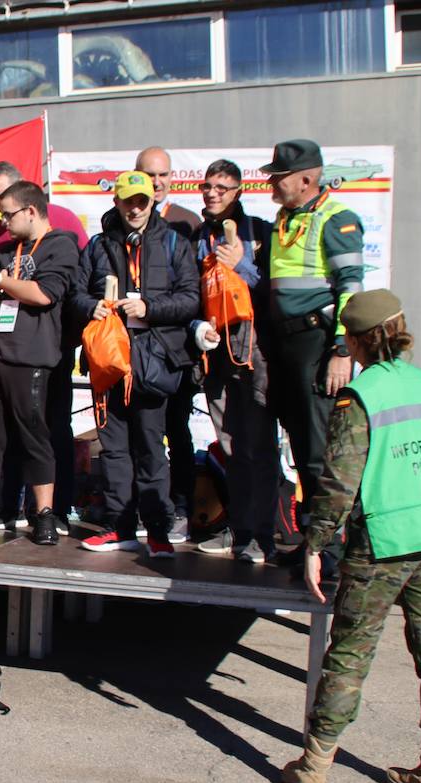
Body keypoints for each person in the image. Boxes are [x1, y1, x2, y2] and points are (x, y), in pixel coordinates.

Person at [282, 290, 421, 783]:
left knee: (350, 654)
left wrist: (316, 542)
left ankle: (313, 768)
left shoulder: (360, 395)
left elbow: (340, 480)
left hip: (384, 545)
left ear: (354, 340)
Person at [78, 171, 199, 558]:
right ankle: (119, 526)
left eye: (142, 201)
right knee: (112, 450)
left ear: (153, 202)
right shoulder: (98, 245)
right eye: (128, 201)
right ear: (116, 202)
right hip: (108, 360)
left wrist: (151, 308)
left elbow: (190, 299)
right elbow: (74, 294)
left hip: (153, 358)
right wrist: (90, 306)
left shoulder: (175, 242)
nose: (135, 208)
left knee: (150, 448)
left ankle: (158, 531)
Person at [0, 181, 79, 546]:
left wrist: (1, 279)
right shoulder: (7, 249)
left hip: (34, 359)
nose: (3, 221)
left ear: (31, 211)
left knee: (34, 437)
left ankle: (43, 514)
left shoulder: (61, 246)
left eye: (8, 213)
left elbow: (43, 294)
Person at [261, 139, 365, 565]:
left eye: (278, 176)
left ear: (305, 179)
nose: (272, 183)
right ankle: (313, 544)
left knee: (322, 451)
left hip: (316, 343)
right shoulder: (283, 218)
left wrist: (342, 349)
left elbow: (351, 288)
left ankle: (338, 552)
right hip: (283, 344)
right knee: (301, 447)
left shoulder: (337, 218)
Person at [0, 161, 86, 532]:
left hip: (50, 349)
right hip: (8, 347)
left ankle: (54, 511)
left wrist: (4, 283)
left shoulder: (64, 228)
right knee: (5, 432)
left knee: (49, 429)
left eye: (1, 200)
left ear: (24, 196)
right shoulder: (0, 234)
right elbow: (0, 301)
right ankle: (8, 506)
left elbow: (59, 291)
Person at [189, 160, 279, 564]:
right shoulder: (196, 237)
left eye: (222, 187)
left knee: (257, 446)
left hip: (253, 350)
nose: (212, 193)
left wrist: (240, 263)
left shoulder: (260, 231)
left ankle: (264, 535)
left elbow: (271, 293)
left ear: (239, 191)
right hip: (216, 352)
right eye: (207, 186)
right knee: (229, 445)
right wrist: (196, 328)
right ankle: (240, 531)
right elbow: (190, 293)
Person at [137, 146, 203, 539]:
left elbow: (191, 292)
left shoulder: (186, 223)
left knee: (177, 431)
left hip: (176, 349)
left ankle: (180, 507)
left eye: (162, 175)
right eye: (149, 175)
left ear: (172, 179)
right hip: (138, 350)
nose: (156, 182)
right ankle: (150, 507)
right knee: (142, 436)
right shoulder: (121, 222)